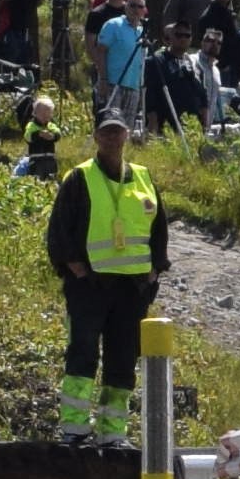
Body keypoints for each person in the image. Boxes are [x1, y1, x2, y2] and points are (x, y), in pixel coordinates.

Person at [45, 110, 167, 445]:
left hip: (131, 289)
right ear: (96, 137)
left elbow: (159, 230)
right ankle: (74, 428)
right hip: (90, 286)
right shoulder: (79, 178)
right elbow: (59, 230)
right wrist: (76, 268)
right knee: (82, 353)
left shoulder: (143, 176)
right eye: (106, 132)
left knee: (123, 360)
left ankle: (113, 432)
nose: (113, 138)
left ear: (127, 135)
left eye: (118, 132)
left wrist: (154, 270)